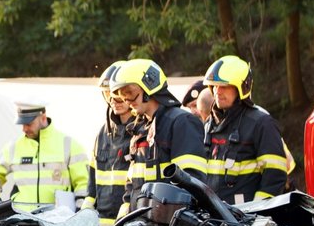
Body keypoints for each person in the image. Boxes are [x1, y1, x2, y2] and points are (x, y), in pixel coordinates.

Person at [108, 59, 207, 215]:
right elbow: (131, 189)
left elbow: (191, 184)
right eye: (122, 95)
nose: (127, 100)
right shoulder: (139, 130)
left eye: (131, 93)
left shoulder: (181, 123)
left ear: (150, 85)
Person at [201, 55, 290, 204]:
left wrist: (255, 213)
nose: (218, 91)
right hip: (212, 217)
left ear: (242, 87)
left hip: (244, 220)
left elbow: (275, 176)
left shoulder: (261, 123)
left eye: (224, 86)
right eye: (214, 86)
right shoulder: (210, 124)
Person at [0, 103, 89, 212]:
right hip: (22, 221)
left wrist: (79, 211)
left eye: (28, 124)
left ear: (43, 118)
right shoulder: (13, 147)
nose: (24, 129)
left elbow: (84, 183)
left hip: (57, 221)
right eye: (22, 124)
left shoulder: (69, 144)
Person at [82, 61, 133, 226]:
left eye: (119, 93)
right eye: (109, 93)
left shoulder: (144, 131)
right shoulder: (102, 134)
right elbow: (91, 189)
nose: (114, 99)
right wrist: (82, 220)